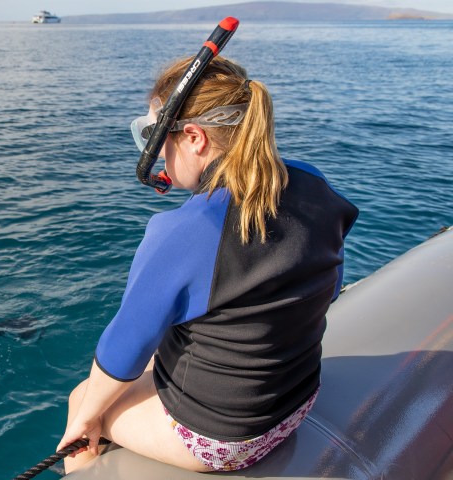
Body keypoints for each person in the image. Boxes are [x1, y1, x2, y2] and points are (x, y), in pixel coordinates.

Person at [57, 55, 359, 473]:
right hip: (297, 402)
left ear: (195, 137)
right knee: (154, 356)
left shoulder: (185, 230)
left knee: (83, 399)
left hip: (224, 439)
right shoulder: (312, 182)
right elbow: (328, 279)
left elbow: (122, 348)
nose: (154, 150)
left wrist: (89, 418)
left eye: (153, 134)